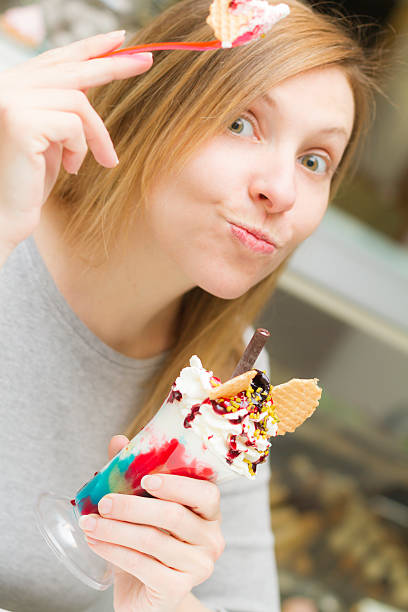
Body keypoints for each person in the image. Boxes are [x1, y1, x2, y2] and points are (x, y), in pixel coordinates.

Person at [0, 0, 379, 610]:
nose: (281, 191)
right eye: (241, 122)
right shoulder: (7, 228)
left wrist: (166, 603)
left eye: (314, 161)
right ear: (153, 104)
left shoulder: (237, 384)